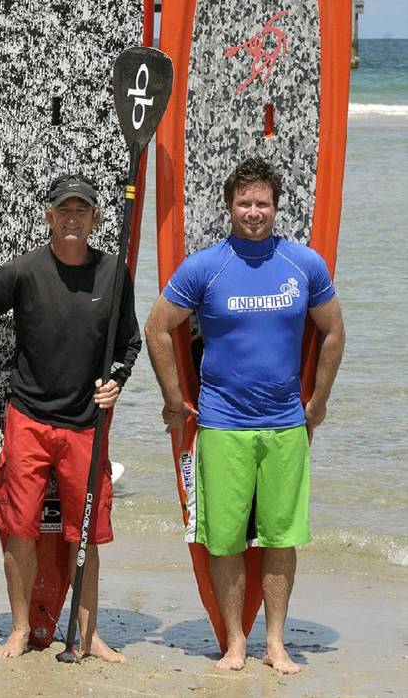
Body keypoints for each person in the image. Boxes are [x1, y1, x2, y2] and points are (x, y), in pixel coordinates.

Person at [145, 156, 345, 676]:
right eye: (244, 202)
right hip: (221, 424)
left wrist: (318, 400)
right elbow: (158, 328)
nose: (253, 211)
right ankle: (235, 641)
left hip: (284, 424)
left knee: (282, 537)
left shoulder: (305, 264)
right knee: (225, 537)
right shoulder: (206, 266)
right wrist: (173, 398)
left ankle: (275, 642)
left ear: (277, 207)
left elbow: (334, 332)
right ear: (229, 206)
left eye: (262, 203)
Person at [0, 173, 141, 663]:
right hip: (28, 419)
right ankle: (19, 628)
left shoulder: (115, 274)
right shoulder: (26, 272)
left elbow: (129, 343)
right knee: (19, 528)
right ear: (49, 216)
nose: (73, 218)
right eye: (64, 210)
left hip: (85, 425)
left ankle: (88, 633)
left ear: (96, 218)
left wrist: (118, 378)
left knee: (87, 534)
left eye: (82, 211)